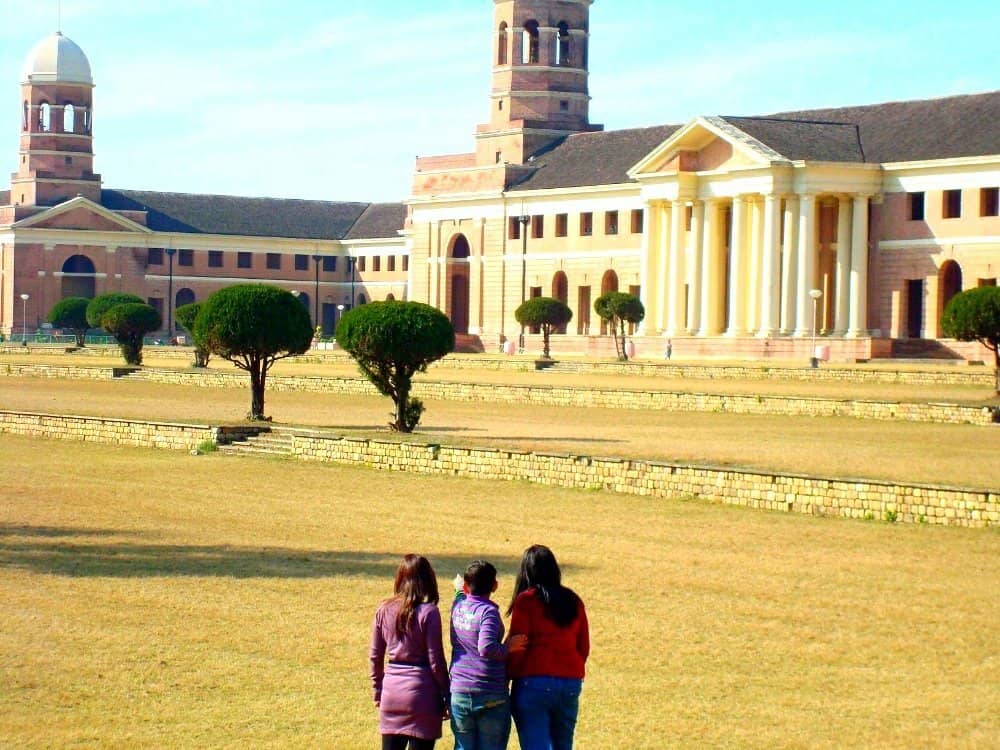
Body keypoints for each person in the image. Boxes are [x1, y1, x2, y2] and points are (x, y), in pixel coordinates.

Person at [507, 545, 589, 750]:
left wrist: (507, 674)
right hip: (570, 681)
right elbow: (583, 646)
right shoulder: (573, 600)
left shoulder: (526, 601)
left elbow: (518, 645)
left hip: (533, 682)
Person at [370, 554, 450, 750]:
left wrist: (378, 690)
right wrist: (447, 694)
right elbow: (436, 661)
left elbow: (375, 656)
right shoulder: (429, 612)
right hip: (422, 695)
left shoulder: (383, 609)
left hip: (391, 692)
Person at [449, 560, 527, 750]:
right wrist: (509, 647)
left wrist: (459, 588)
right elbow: (486, 647)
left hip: (460, 692)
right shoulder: (488, 613)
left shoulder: (458, 608)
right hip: (489, 694)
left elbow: (460, 596)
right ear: (495, 585)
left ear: (467, 587)